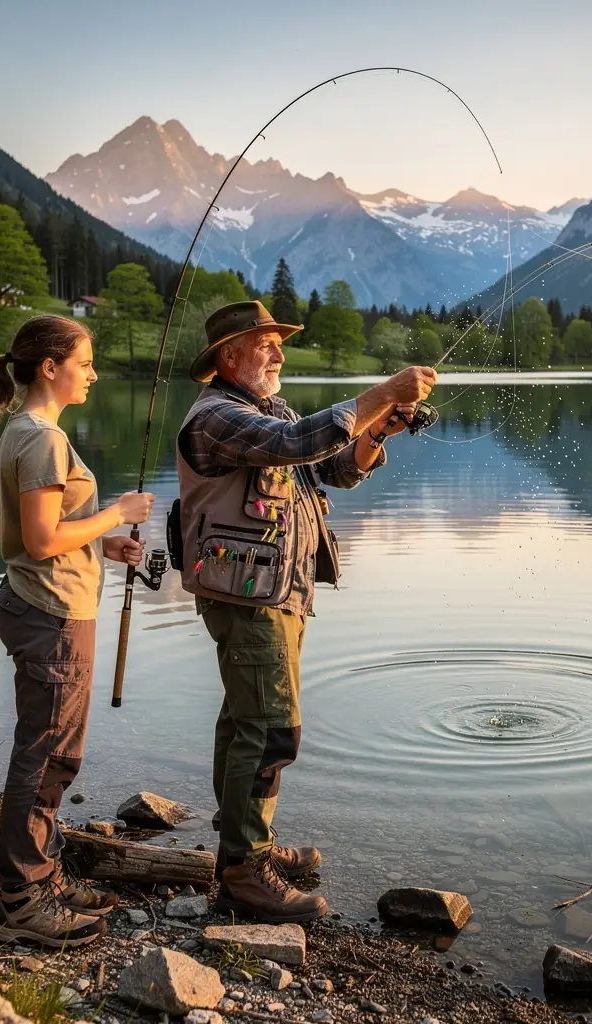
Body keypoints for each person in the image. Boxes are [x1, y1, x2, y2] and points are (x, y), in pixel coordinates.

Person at [176, 299, 436, 923]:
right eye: (266, 344)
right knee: (269, 729)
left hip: (279, 592)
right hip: (249, 597)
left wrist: (375, 430)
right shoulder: (217, 417)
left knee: (247, 722)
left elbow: (337, 469)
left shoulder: (271, 410)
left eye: (277, 343)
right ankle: (244, 872)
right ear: (229, 356)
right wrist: (378, 394)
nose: (279, 353)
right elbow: (296, 443)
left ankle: (243, 847)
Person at [0, 314, 155, 948]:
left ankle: (40, 878)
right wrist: (118, 511)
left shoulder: (22, 432)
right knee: (49, 754)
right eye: (85, 362)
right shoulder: (44, 440)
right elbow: (40, 538)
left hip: (40, 602)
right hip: (53, 615)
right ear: (50, 367)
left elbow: (30, 539)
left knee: (50, 750)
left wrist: (101, 544)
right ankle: (23, 898)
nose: (94, 373)